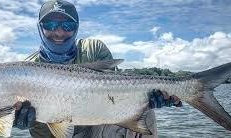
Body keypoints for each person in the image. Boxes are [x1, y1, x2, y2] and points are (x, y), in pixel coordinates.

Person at [13, 0, 182, 138]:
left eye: (67, 26)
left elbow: (115, 96)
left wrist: (145, 100)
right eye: (50, 25)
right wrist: (19, 119)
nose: (58, 32)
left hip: (97, 128)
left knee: (147, 114)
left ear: (77, 27)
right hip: (53, 136)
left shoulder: (93, 49)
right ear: (39, 28)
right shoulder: (25, 70)